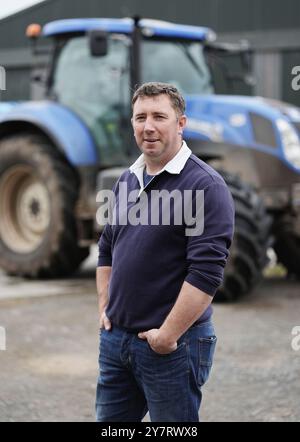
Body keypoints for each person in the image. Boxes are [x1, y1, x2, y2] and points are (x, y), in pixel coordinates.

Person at [95, 82, 234, 422]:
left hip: (171, 347)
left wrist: (167, 336)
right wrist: (105, 308)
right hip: (117, 343)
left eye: (159, 116)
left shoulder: (205, 186)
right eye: (140, 117)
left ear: (180, 123)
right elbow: (106, 249)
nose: (149, 126)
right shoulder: (127, 179)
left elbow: (205, 273)